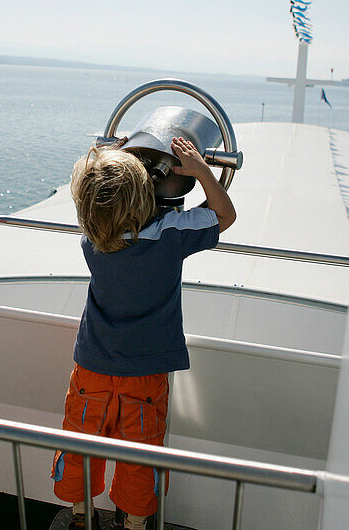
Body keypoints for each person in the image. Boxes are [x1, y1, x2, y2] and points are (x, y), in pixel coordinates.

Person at [51, 137, 236, 530]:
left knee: (82, 442)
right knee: (141, 453)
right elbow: (224, 216)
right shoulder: (171, 236)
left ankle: (81, 517)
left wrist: (110, 155)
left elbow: (94, 198)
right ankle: (134, 524)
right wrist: (202, 171)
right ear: (143, 197)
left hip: (93, 367)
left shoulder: (93, 238)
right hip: (146, 374)